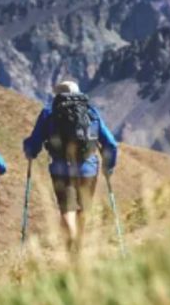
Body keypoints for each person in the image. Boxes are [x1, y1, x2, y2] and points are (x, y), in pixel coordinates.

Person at [23, 81, 118, 251]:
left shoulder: (49, 113)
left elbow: (34, 142)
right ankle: (78, 247)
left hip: (61, 169)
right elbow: (111, 143)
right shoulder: (91, 112)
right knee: (84, 210)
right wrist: (108, 167)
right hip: (88, 169)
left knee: (67, 210)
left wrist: (29, 150)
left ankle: (72, 246)